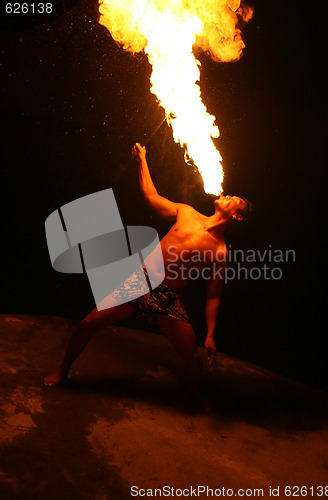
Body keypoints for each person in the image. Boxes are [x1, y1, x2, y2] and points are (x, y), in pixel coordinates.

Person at [44, 143, 252, 408]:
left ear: (237, 216)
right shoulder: (187, 212)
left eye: (235, 200)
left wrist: (210, 335)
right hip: (140, 281)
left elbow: (213, 295)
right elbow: (151, 196)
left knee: (192, 356)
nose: (229, 195)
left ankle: (193, 390)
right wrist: (142, 159)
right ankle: (64, 368)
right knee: (88, 323)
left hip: (169, 298)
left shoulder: (220, 251)